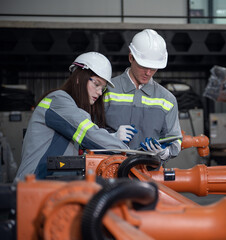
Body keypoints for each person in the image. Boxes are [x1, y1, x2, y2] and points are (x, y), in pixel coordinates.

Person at [15, 52, 131, 180]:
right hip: (32, 187)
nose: (99, 92)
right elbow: (88, 133)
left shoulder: (72, 109)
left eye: (102, 88)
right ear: (78, 78)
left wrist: (110, 138)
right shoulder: (58, 100)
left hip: (48, 186)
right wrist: (130, 153)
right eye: (96, 84)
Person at [104, 29, 182, 163]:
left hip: (149, 174)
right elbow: (89, 132)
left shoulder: (167, 99)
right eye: (144, 66)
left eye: (153, 68)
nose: (148, 72)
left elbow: (176, 140)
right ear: (130, 57)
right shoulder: (106, 91)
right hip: (108, 171)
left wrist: (164, 153)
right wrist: (111, 137)